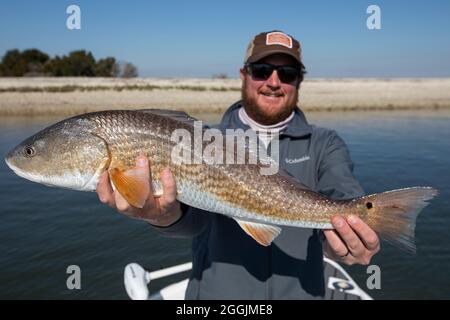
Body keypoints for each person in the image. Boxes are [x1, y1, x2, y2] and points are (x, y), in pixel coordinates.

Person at [97, 30, 380, 299]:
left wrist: (347, 240)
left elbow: (341, 195)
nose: (273, 81)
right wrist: (162, 215)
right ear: (243, 74)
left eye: (287, 73)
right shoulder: (202, 140)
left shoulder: (325, 143)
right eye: (261, 70)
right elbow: (195, 221)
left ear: (299, 81)